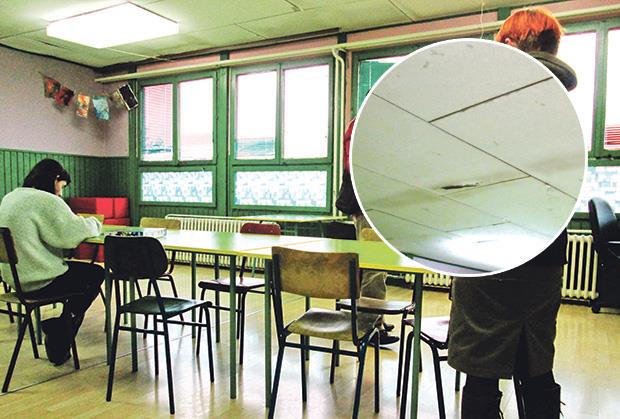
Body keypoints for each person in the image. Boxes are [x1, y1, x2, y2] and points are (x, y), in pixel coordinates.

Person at [447, 7, 577, 419]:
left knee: (481, 374)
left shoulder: (494, 99)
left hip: (485, 249)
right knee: (535, 365)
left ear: (515, 41)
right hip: (544, 251)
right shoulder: (561, 102)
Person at [0, 158, 104, 365]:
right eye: (62, 186)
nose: (61, 193)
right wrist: (94, 222)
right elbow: (70, 236)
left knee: (82, 274)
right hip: (40, 281)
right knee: (95, 274)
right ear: (55, 179)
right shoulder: (45, 200)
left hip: (15, 280)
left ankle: (60, 327)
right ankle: (62, 330)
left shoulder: (11, 197)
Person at [336, 117, 399, 345]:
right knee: (375, 268)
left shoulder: (360, 122)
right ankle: (369, 327)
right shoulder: (368, 124)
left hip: (366, 203)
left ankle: (376, 317)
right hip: (371, 203)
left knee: (375, 267)